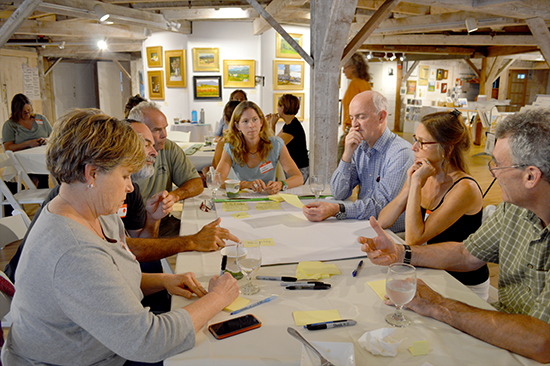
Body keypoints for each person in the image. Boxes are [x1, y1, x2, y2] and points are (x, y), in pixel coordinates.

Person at [1, 109, 239, 365]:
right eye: (125, 175)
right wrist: (218, 297)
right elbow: (147, 342)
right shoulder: (73, 250)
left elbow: (107, 282)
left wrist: (164, 279)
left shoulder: (95, 210)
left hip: (107, 346)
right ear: (92, 174)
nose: (129, 186)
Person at [361, 108, 550, 364]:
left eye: (498, 165)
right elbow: (466, 253)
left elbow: (542, 342)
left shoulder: (466, 188)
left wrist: (439, 305)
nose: (492, 172)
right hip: (505, 336)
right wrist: (401, 253)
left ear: (531, 176)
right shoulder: (514, 210)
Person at [4, 118, 240, 284]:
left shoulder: (127, 192)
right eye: (145, 143)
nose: (154, 151)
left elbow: (129, 250)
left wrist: (154, 219)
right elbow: (126, 251)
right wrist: (191, 242)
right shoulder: (76, 203)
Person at [378, 110, 489, 299]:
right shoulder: (424, 175)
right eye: (415, 139)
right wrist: (408, 188)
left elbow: (414, 239)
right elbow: (383, 220)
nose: (414, 147)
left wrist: (415, 184)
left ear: (447, 148)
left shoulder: (464, 189)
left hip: (461, 282)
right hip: (433, 270)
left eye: (422, 142)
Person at [303, 91, 414, 230]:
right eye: (352, 117)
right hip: (364, 225)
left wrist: (338, 209)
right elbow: (338, 192)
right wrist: (347, 154)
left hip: (391, 235)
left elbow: (381, 207)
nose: (354, 125)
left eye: (361, 117)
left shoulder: (401, 153)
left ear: (381, 116)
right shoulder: (360, 147)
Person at [128, 101, 204, 237]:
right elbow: (136, 245)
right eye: (157, 130)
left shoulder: (168, 148)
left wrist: (174, 196)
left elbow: (196, 183)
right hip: (132, 229)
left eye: (165, 128)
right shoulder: (122, 162)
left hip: (160, 222)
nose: (164, 134)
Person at [216, 101, 303, 194]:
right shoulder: (231, 147)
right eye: (245, 121)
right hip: (243, 200)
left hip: (270, 198)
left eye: (254, 119)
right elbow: (217, 179)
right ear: (237, 126)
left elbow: (299, 178)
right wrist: (245, 184)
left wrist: (281, 184)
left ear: (261, 122)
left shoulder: (276, 144)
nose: (251, 125)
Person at [2, 93, 52, 188]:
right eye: (24, 112)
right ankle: (41, 191)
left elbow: (54, 136)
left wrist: (46, 140)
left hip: (43, 155)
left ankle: (41, 191)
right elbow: (8, 147)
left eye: (29, 111)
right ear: (16, 111)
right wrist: (28, 143)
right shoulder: (10, 125)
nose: (27, 114)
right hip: (24, 159)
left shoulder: (40, 119)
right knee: (39, 167)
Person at [267, 94, 309, 183]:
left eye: (278, 106)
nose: (277, 109)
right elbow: (274, 139)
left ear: (282, 108)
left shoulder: (293, 128)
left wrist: (272, 125)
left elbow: (273, 146)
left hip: (299, 170)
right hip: (295, 167)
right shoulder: (289, 125)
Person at [338, 53, 372, 161]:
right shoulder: (365, 84)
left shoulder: (355, 84)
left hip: (353, 132)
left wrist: (348, 131)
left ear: (353, 68)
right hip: (363, 133)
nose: (343, 71)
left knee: (342, 164)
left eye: (345, 68)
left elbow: (354, 113)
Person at [201, 100, 241, 177]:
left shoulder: (224, 142)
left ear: (225, 119)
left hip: (227, 185)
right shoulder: (253, 140)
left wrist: (207, 172)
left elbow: (215, 171)